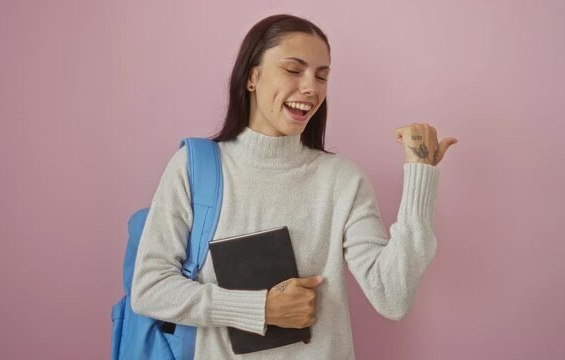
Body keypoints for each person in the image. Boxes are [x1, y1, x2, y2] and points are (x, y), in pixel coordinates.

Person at [131, 13, 457, 360]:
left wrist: (420, 175)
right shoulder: (195, 168)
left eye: (321, 76)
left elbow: (392, 296)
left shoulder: (342, 179)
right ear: (252, 77)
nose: (311, 88)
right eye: (293, 69)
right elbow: (150, 289)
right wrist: (261, 308)